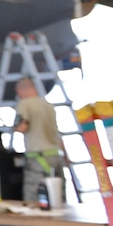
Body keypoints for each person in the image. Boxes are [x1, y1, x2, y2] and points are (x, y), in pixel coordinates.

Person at [12, 76, 67, 205]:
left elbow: (22, 126)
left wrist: (13, 128)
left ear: (20, 91)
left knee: (32, 196)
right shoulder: (48, 105)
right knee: (59, 198)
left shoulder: (24, 104)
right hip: (55, 155)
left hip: (37, 157)